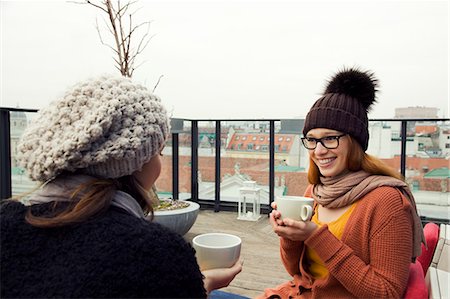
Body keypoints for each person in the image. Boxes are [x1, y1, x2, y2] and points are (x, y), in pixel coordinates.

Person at [0, 75, 242, 298]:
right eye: (158, 152)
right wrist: (199, 284)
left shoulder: (5, 221)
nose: (161, 162)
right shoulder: (155, 253)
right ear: (134, 162)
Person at [260, 68, 425, 298]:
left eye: (330, 138)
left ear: (355, 141)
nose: (318, 151)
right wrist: (288, 236)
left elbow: (386, 293)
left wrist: (314, 236)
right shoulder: (315, 191)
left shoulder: (387, 202)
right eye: (312, 140)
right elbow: (298, 273)